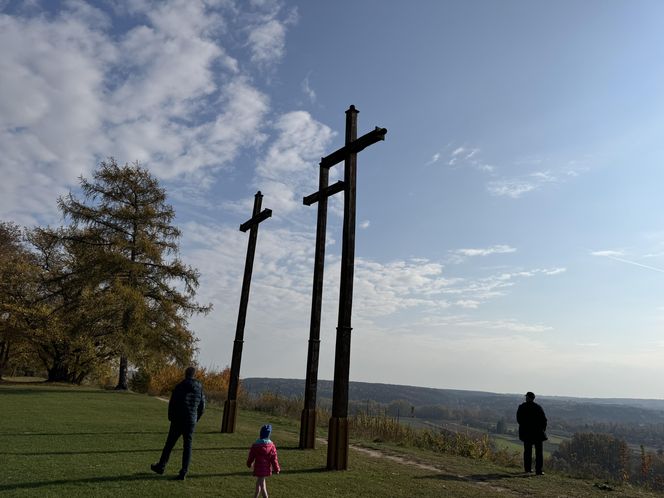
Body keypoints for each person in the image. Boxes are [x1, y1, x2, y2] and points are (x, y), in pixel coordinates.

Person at [151, 366, 205, 480]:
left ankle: (161, 466)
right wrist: (196, 418)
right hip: (191, 421)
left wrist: (170, 417)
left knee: (169, 444)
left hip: (178, 420)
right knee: (187, 446)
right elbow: (202, 406)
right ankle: (183, 472)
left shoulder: (180, 386)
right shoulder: (199, 388)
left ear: (186, 374)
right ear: (194, 375)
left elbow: (173, 403)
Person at [516, 391, 547, 475]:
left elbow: (519, 420)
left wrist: (524, 427)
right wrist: (542, 429)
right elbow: (544, 420)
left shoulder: (522, 407)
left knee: (527, 452)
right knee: (539, 453)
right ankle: (538, 470)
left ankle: (527, 469)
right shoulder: (538, 407)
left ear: (527, 398)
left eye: (526, 397)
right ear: (533, 398)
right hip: (538, 433)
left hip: (526, 433)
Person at [247, 424, 281, 498]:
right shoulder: (271, 446)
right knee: (259, 484)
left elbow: (251, 456)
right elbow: (274, 459)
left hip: (258, 468)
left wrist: (249, 463)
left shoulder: (255, 445)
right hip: (265, 469)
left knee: (262, 486)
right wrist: (276, 469)